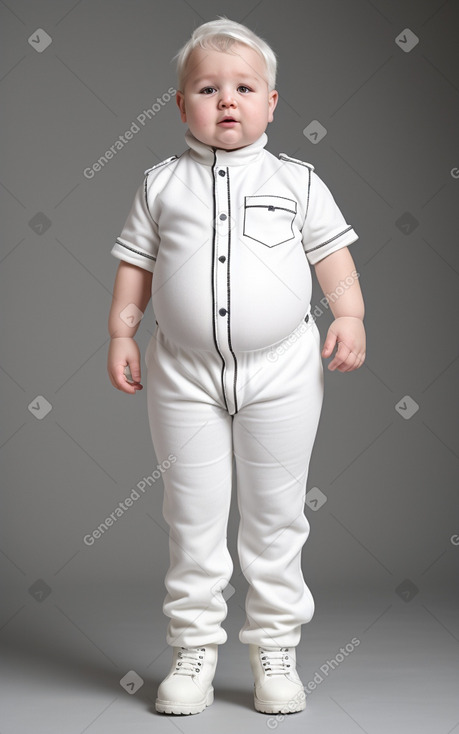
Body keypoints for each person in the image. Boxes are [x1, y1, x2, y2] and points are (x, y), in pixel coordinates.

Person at [107, 17, 366, 717]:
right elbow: (135, 266)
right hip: (181, 376)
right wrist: (121, 334)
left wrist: (348, 316)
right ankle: (193, 650)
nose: (227, 100)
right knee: (190, 517)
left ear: (271, 103)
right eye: (207, 88)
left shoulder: (297, 181)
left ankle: (273, 650)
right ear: (180, 104)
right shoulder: (160, 185)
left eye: (244, 87)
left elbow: (331, 258)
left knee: (276, 517)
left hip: (281, 374)